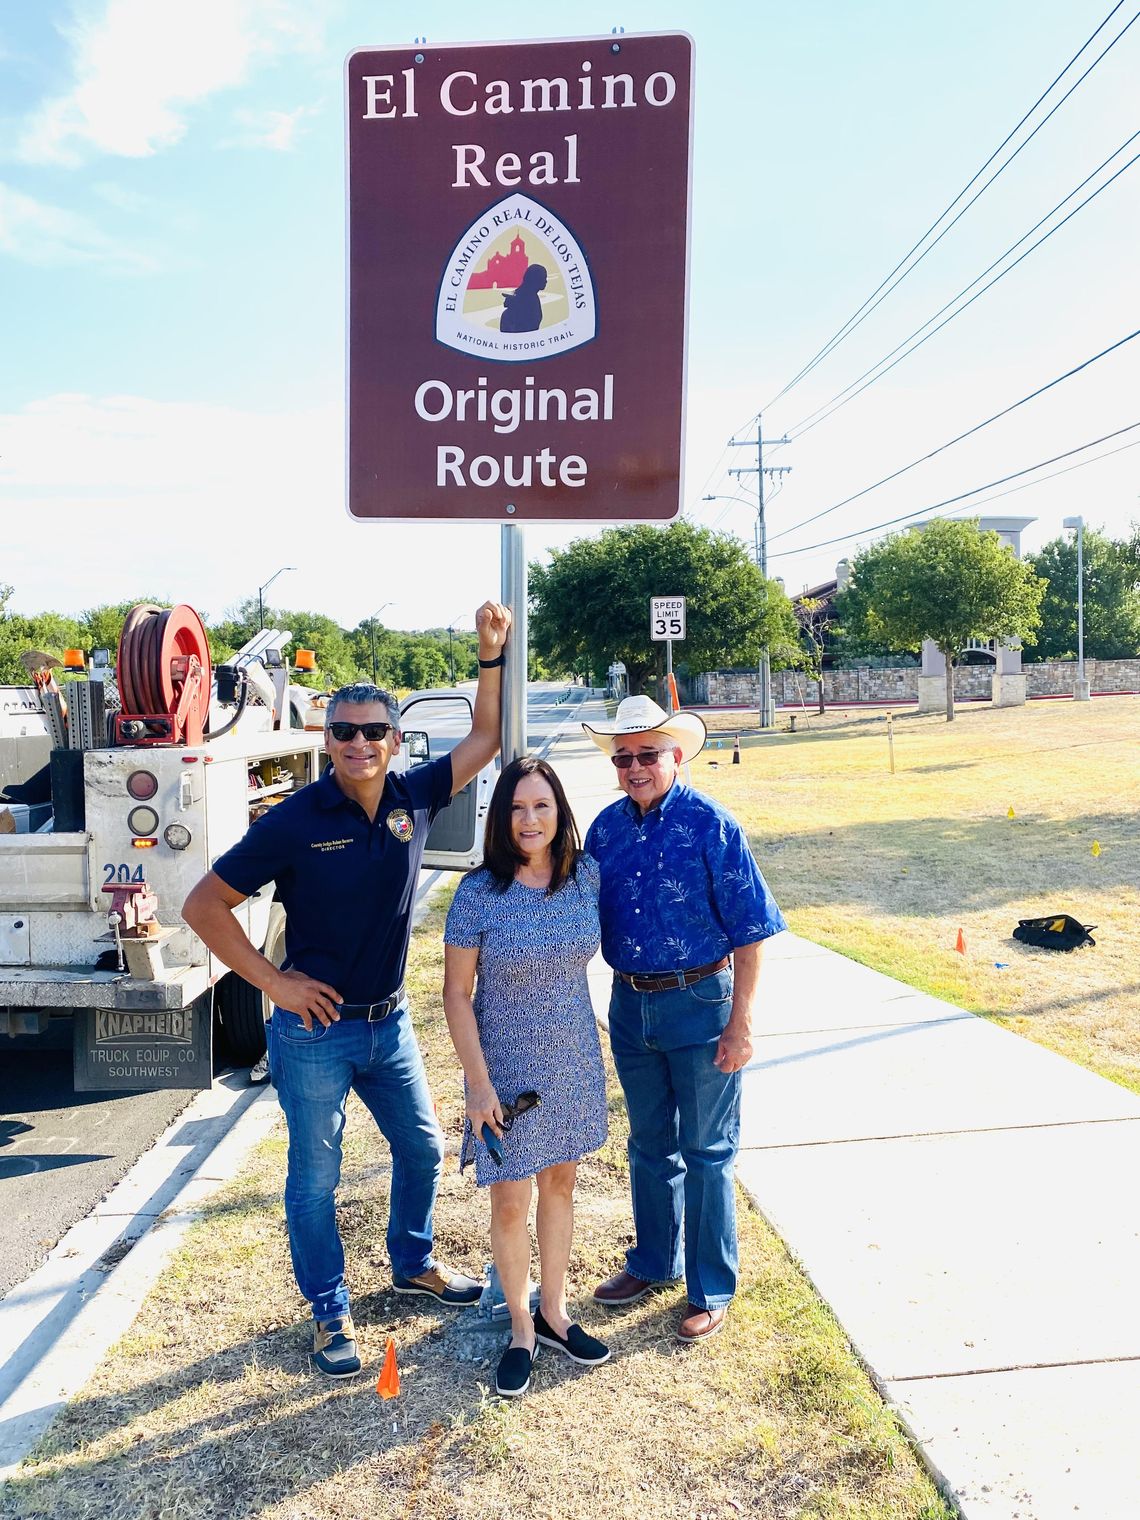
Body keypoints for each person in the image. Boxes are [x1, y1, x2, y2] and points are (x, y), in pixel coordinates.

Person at [182, 600, 511, 1379]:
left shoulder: (414, 796)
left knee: (423, 1148)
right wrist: (275, 983)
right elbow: (203, 906)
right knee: (315, 1178)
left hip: (388, 1025)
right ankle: (331, 1312)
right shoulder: (296, 820)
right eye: (344, 731)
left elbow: (487, 738)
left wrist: (488, 653)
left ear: (394, 740)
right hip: (313, 1033)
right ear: (326, 739)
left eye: (373, 732)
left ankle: (412, 1262)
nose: (359, 744)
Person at [582, 695, 785, 1342]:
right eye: (624, 758)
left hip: (701, 1003)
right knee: (648, 1144)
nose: (635, 766)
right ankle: (653, 1262)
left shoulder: (712, 825)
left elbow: (751, 932)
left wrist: (742, 1022)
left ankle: (710, 1287)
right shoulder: (605, 830)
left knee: (706, 1150)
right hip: (629, 1001)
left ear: (675, 757)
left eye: (648, 754)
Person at [443, 755, 610, 1397]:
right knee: (511, 1199)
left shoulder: (585, 878)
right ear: (501, 817)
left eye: (542, 805)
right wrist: (478, 1084)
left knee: (562, 1185)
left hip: (571, 1057)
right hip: (502, 1068)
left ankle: (554, 1313)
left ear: (560, 813)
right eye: (517, 807)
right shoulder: (479, 893)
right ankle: (519, 1327)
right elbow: (458, 994)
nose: (530, 818)